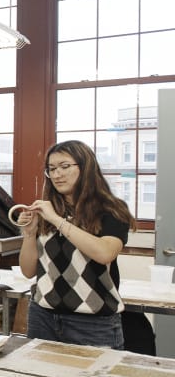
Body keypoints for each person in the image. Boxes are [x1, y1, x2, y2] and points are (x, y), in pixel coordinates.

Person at [17, 140, 137, 350]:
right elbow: (28, 271)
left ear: (86, 167)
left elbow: (104, 253)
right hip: (43, 316)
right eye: (51, 169)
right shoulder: (48, 211)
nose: (56, 175)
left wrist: (57, 220)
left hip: (92, 322)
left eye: (65, 167)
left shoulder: (111, 210)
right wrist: (29, 233)